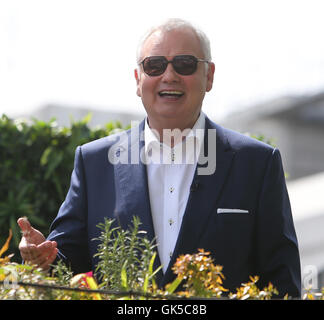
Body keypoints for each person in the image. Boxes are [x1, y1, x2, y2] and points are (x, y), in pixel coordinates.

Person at [18, 18, 301, 298]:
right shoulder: (94, 163)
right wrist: (44, 256)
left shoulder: (257, 163)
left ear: (210, 76)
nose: (169, 76)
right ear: (138, 80)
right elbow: (66, 265)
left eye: (185, 64)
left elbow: (283, 282)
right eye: (155, 65)